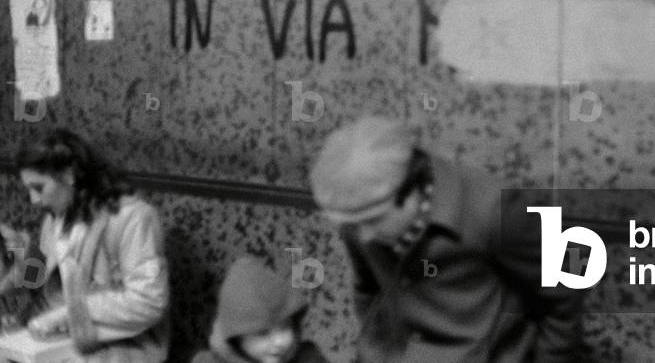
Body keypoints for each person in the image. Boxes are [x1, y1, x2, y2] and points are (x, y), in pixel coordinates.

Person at [309, 116, 582, 362]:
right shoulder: (356, 219)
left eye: (373, 221)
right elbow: (367, 289)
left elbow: (563, 296)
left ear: (412, 191)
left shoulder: (493, 208)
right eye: (352, 225)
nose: (363, 236)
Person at [0, 128, 170, 362]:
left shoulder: (133, 217)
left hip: (116, 341)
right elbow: (37, 279)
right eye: (28, 189)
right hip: (53, 332)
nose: (33, 200)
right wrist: (21, 252)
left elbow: (149, 302)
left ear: (69, 175)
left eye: (38, 188)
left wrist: (68, 314)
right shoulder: (55, 217)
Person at [191, 255, 329, 363]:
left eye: (285, 327)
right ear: (236, 339)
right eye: (263, 333)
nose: (279, 341)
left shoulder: (309, 358)